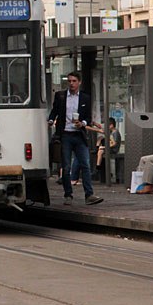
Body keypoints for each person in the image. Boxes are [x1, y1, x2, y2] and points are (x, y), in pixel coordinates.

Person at [49, 71, 104, 206]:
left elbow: (88, 117)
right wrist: (51, 120)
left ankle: (89, 195)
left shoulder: (85, 98)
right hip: (65, 134)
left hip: (79, 134)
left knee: (85, 164)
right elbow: (54, 111)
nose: (71, 84)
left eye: (74, 81)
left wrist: (83, 123)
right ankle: (68, 194)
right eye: (69, 81)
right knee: (66, 166)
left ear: (79, 82)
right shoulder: (61, 96)